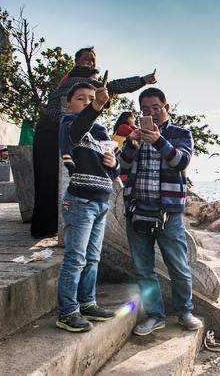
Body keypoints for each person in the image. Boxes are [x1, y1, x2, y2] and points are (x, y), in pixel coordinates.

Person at [31, 52, 156, 239]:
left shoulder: (64, 82)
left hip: (48, 131)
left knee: (47, 180)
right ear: (78, 63)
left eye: (93, 60)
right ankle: (53, 227)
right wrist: (142, 80)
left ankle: (44, 227)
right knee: (52, 179)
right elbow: (114, 86)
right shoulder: (81, 81)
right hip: (56, 131)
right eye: (87, 59)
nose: (90, 63)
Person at [118, 87, 202, 336]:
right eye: (144, 109)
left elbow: (181, 162)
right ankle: (156, 315)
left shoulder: (180, 133)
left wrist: (159, 140)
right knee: (144, 269)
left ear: (166, 107)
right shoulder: (135, 136)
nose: (150, 113)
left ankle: (185, 311)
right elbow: (121, 165)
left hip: (169, 213)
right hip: (137, 209)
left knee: (178, 265)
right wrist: (132, 143)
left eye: (155, 108)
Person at [56, 81, 120, 332]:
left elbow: (113, 171)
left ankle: (87, 302)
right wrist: (95, 106)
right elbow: (78, 126)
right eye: (80, 99)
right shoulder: (69, 125)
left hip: (101, 201)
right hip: (80, 202)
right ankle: (67, 311)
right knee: (76, 258)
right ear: (69, 104)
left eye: (91, 98)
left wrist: (113, 162)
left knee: (93, 257)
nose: (86, 102)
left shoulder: (102, 131)